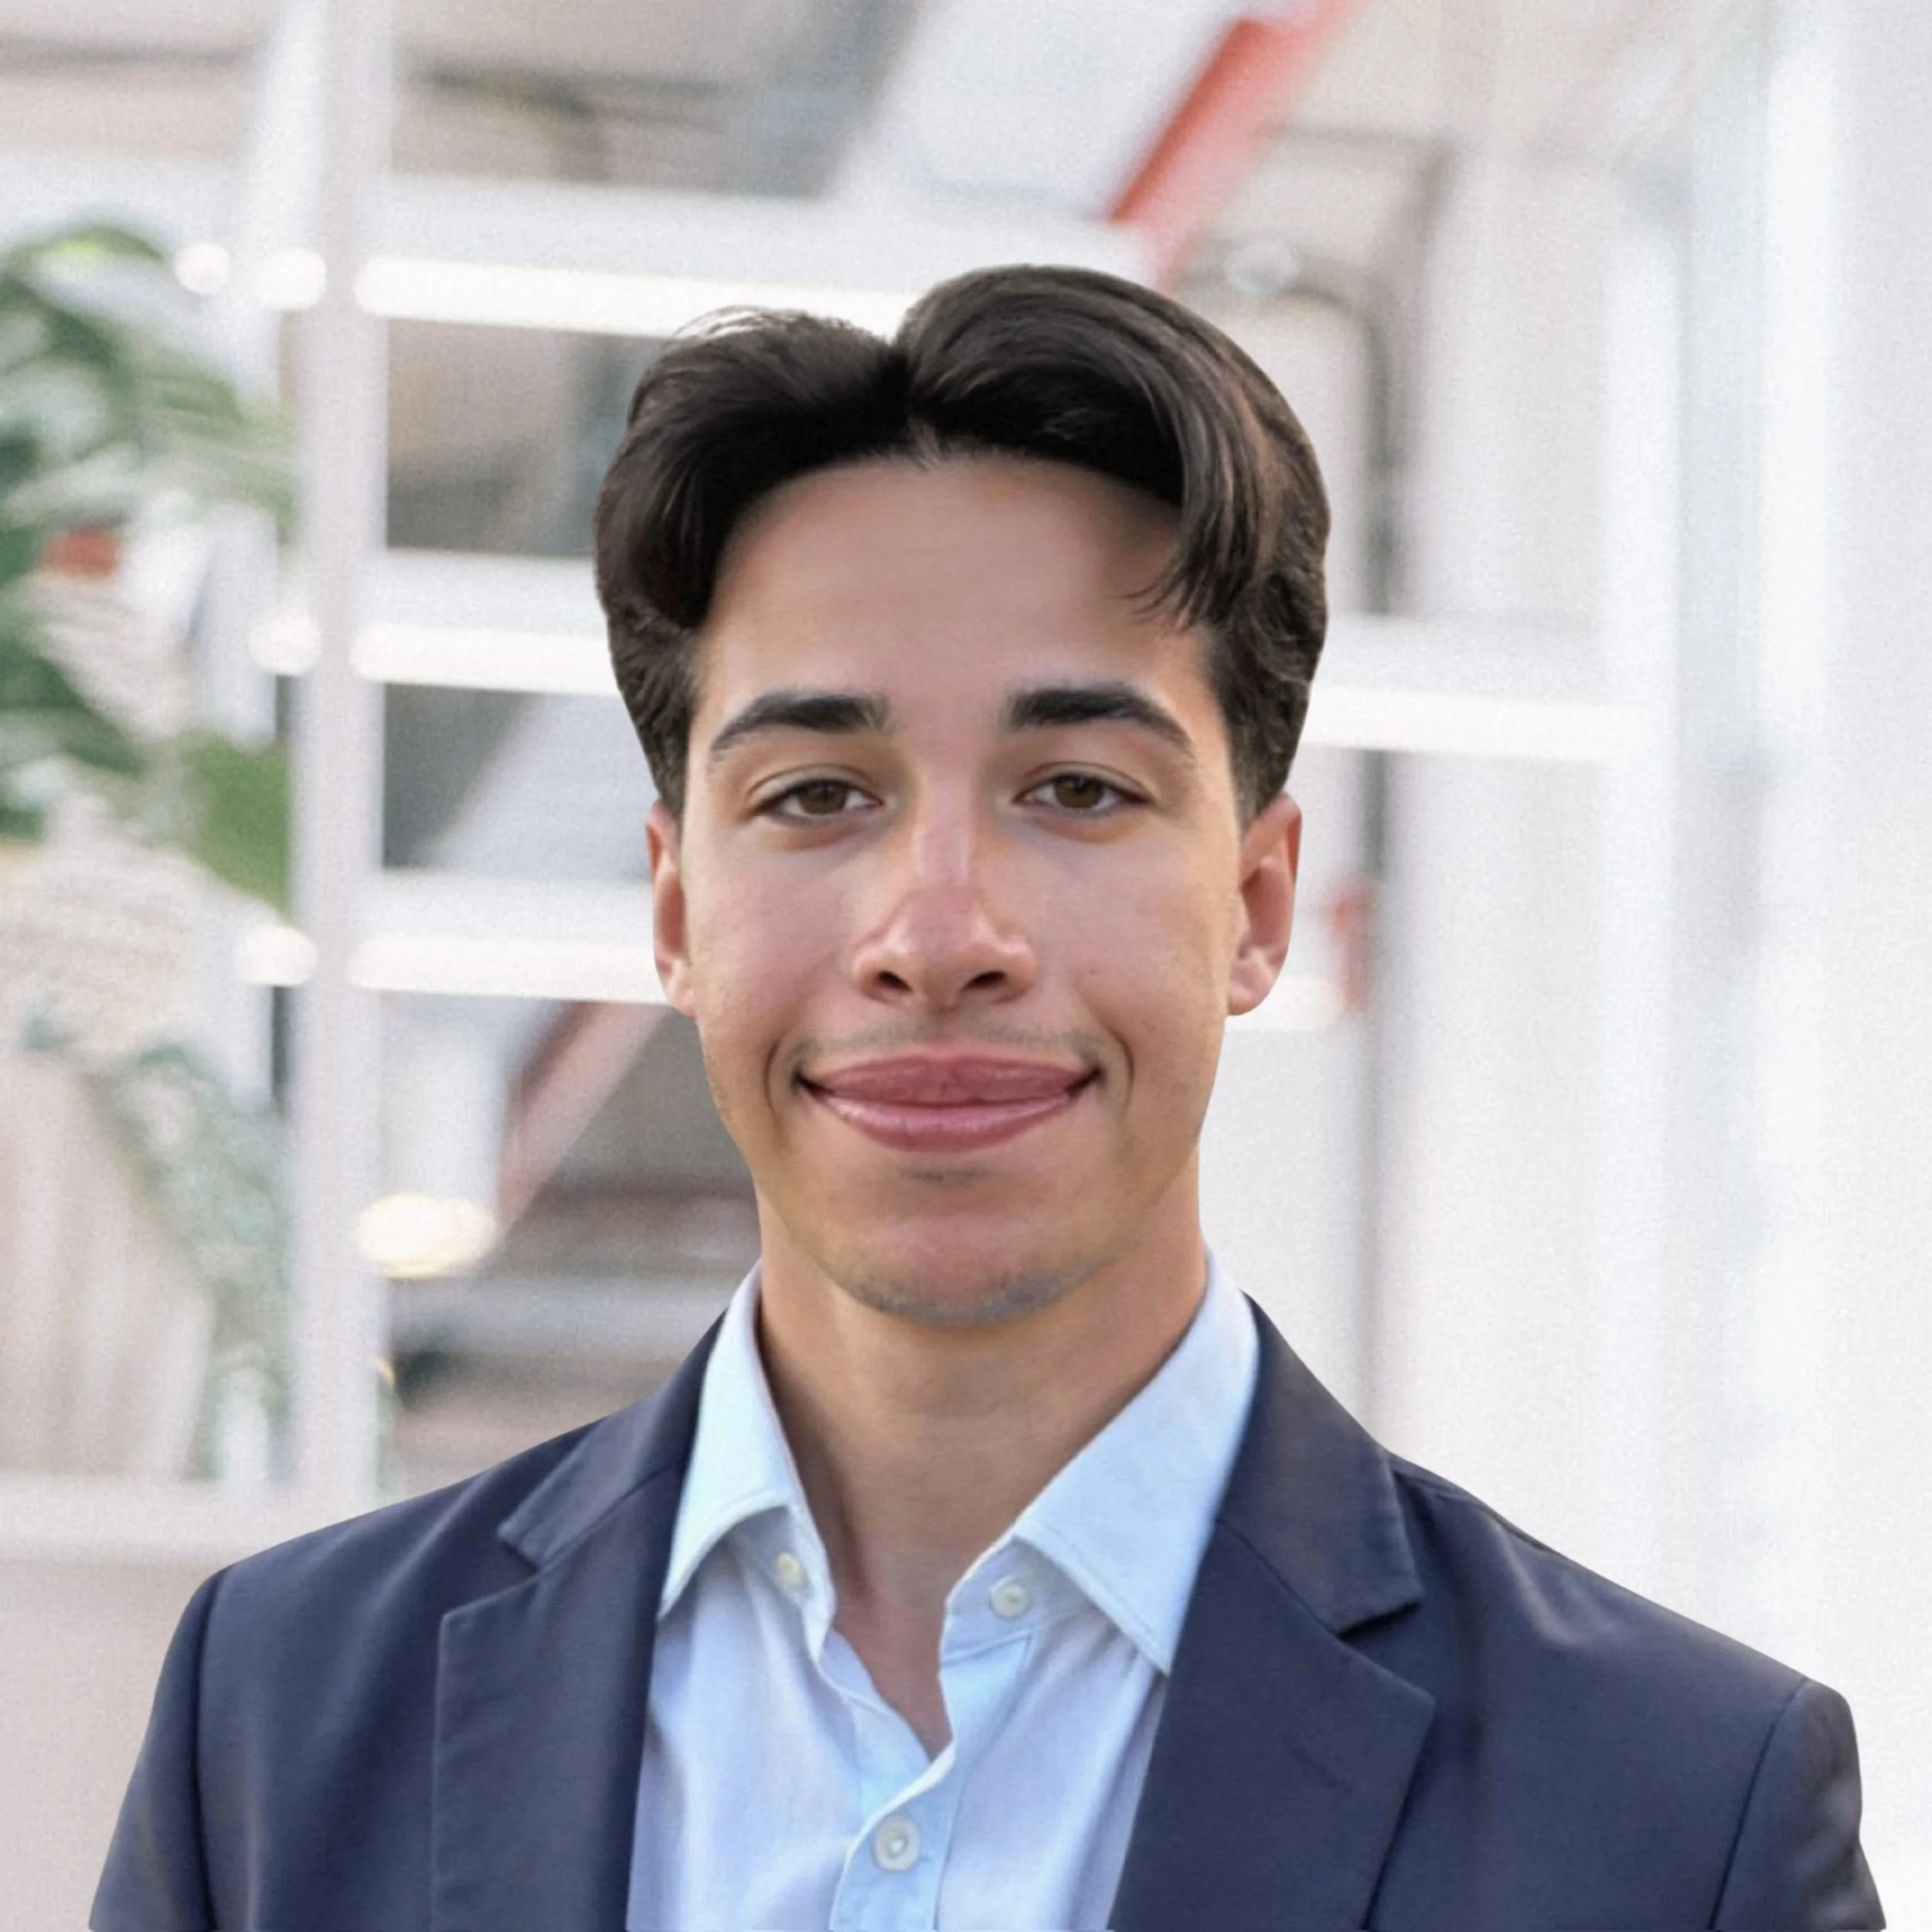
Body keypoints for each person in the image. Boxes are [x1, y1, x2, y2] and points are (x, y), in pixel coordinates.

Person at [94, 265, 1883, 1932]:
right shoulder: (279, 1714)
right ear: (675, 909)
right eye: (815, 794)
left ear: (1254, 905)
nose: (938, 932)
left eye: (1078, 788)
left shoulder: (1671, 1816)